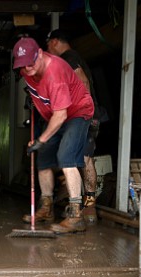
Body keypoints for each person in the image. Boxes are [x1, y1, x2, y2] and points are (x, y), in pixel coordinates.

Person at [13, 37, 95, 234]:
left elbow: (61, 115)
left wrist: (41, 140)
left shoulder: (55, 71)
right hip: (55, 115)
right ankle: (46, 208)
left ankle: (76, 216)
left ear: (40, 54)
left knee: (66, 157)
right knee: (44, 160)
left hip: (76, 113)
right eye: (23, 66)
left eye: (31, 63)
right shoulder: (27, 71)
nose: (28, 69)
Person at [46, 30, 103, 225]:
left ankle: (87, 208)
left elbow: (83, 81)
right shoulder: (71, 58)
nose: (48, 50)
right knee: (80, 158)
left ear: (54, 42)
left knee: (84, 159)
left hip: (85, 115)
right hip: (87, 115)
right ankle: (86, 207)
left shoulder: (68, 57)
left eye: (48, 46)